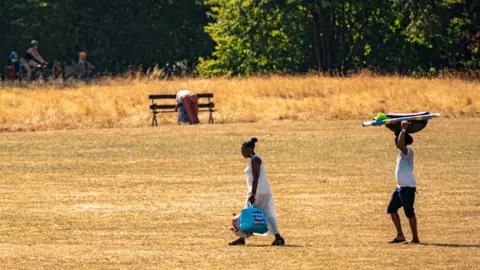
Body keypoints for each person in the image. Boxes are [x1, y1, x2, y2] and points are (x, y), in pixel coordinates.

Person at [229, 138, 285, 246]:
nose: (242, 151)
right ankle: (278, 238)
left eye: (243, 148)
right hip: (263, 191)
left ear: (249, 148)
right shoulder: (254, 159)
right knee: (268, 215)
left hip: (257, 192)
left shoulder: (255, 159)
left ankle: (241, 238)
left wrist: (253, 194)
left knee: (246, 212)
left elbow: (256, 178)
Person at [387, 121, 420, 244]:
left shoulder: (408, 151)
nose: (395, 141)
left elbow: (400, 145)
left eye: (398, 139)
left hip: (407, 188)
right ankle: (400, 235)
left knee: (409, 213)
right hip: (400, 187)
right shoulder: (401, 153)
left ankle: (415, 238)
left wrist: (403, 129)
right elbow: (399, 145)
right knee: (391, 209)